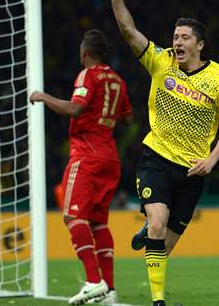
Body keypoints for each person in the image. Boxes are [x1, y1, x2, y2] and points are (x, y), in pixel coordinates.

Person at [105, 0, 219, 306]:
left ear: (199, 45)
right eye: (174, 36)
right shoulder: (161, 61)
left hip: (194, 170)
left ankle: (149, 228)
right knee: (158, 224)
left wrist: (212, 160)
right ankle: (159, 301)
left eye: (183, 38)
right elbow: (128, 32)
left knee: (163, 245)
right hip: (157, 159)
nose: (176, 42)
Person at [30, 29, 132, 305]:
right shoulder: (117, 80)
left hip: (87, 154)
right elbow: (126, 117)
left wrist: (42, 96)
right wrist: (103, 117)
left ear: (85, 52)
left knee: (73, 217)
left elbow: (75, 109)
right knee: (98, 222)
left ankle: (92, 281)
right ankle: (109, 291)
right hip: (110, 158)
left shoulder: (88, 75)